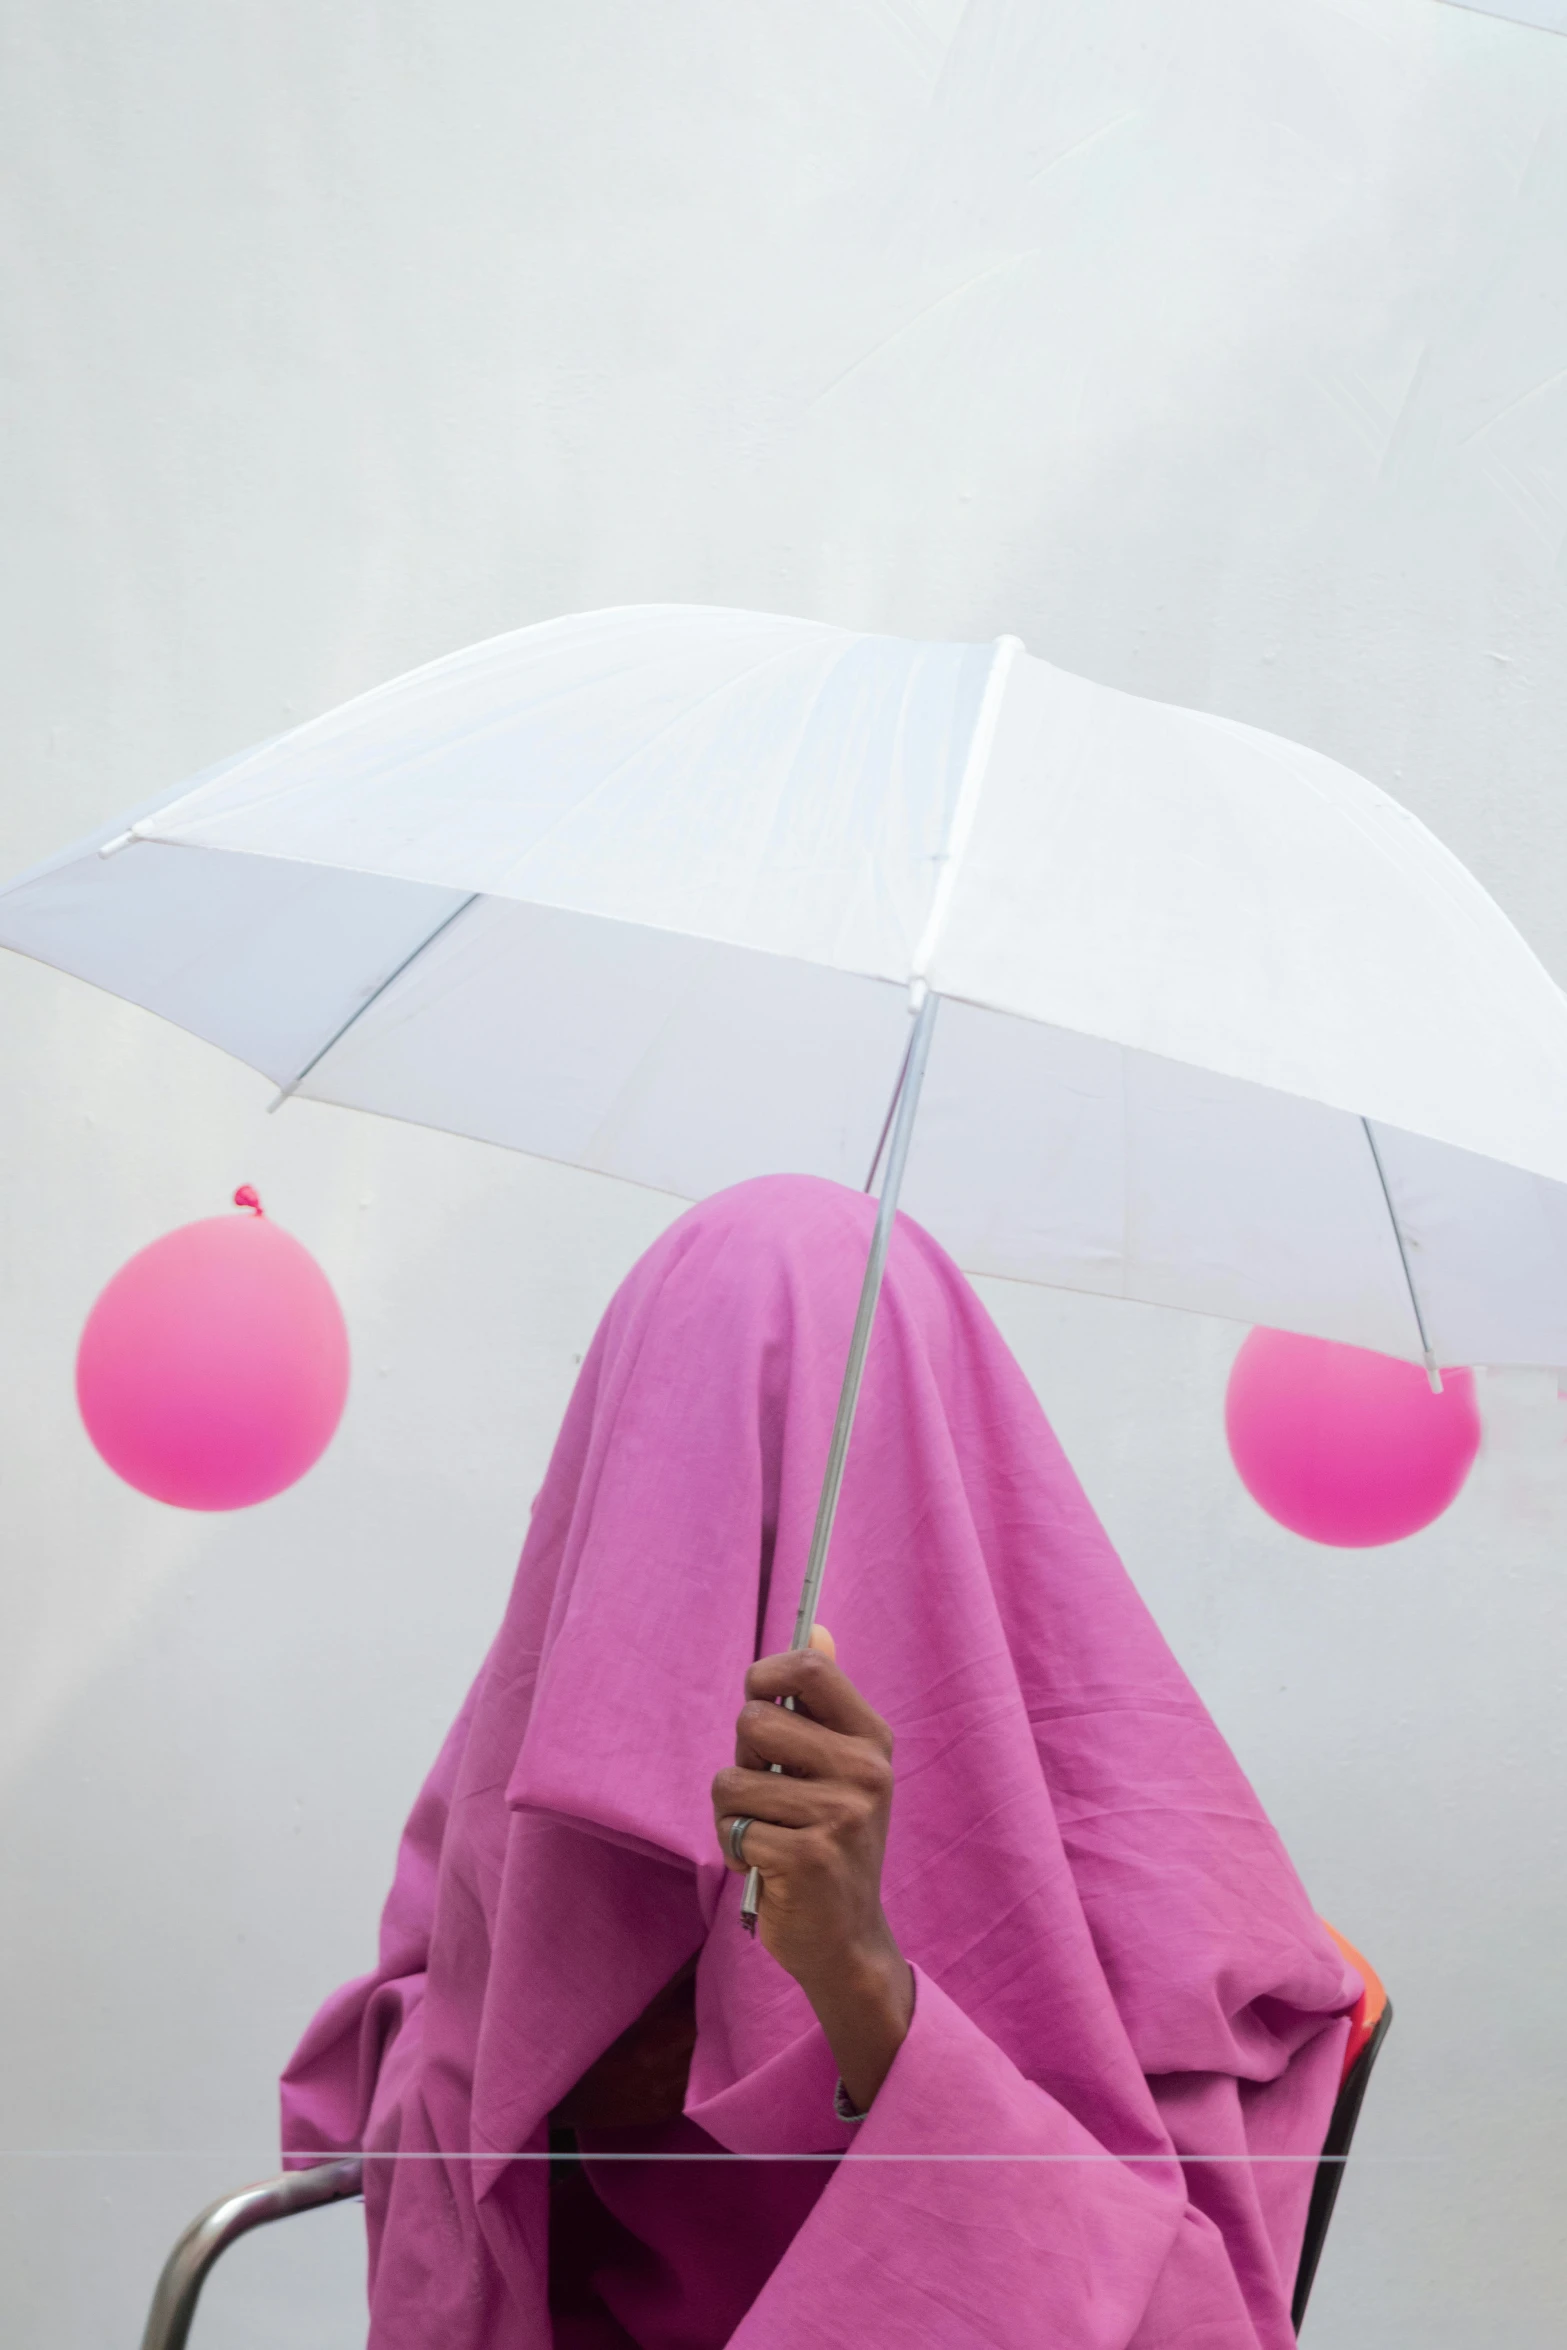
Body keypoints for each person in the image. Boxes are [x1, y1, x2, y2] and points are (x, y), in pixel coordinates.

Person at [282, 1175, 1358, 2349]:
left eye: (772, 1447)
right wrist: (567, 2067)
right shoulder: (551, 1700)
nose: (711, 1521)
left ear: (923, 1446)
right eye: (668, 1460)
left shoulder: (1131, 1814)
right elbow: (405, 2066)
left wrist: (864, 1987)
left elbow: (1185, 2306)